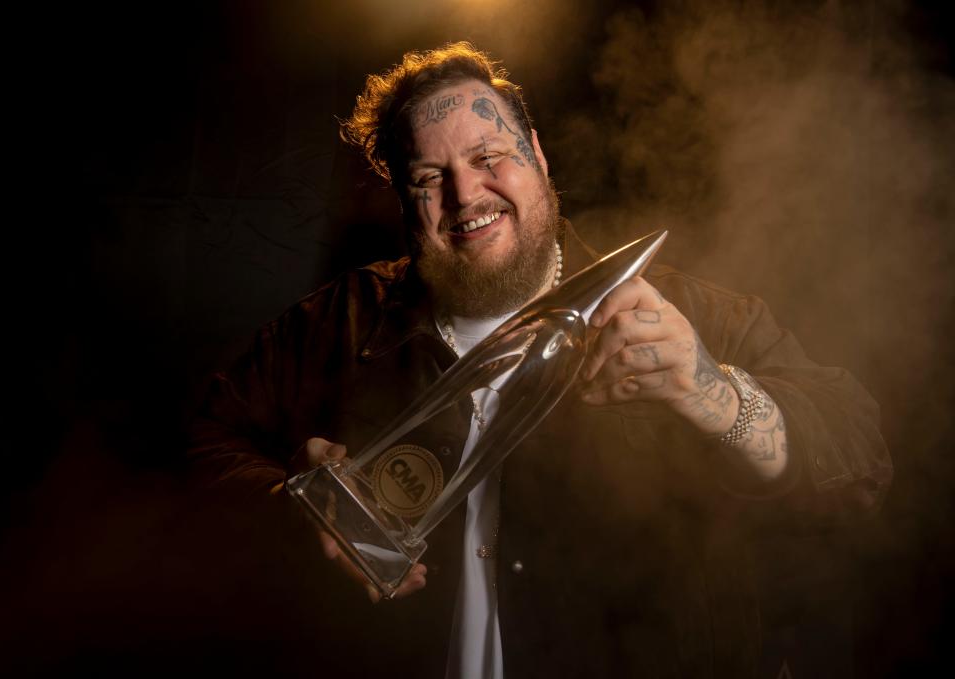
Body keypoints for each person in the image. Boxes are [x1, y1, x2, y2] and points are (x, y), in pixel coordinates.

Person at [187, 42, 891, 678]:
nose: (466, 195)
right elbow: (192, 450)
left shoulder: (690, 313)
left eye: (490, 158)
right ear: (403, 199)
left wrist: (712, 391)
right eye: (431, 176)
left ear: (538, 158)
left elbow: (859, 453)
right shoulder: (333, 325)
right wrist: (292, 504)